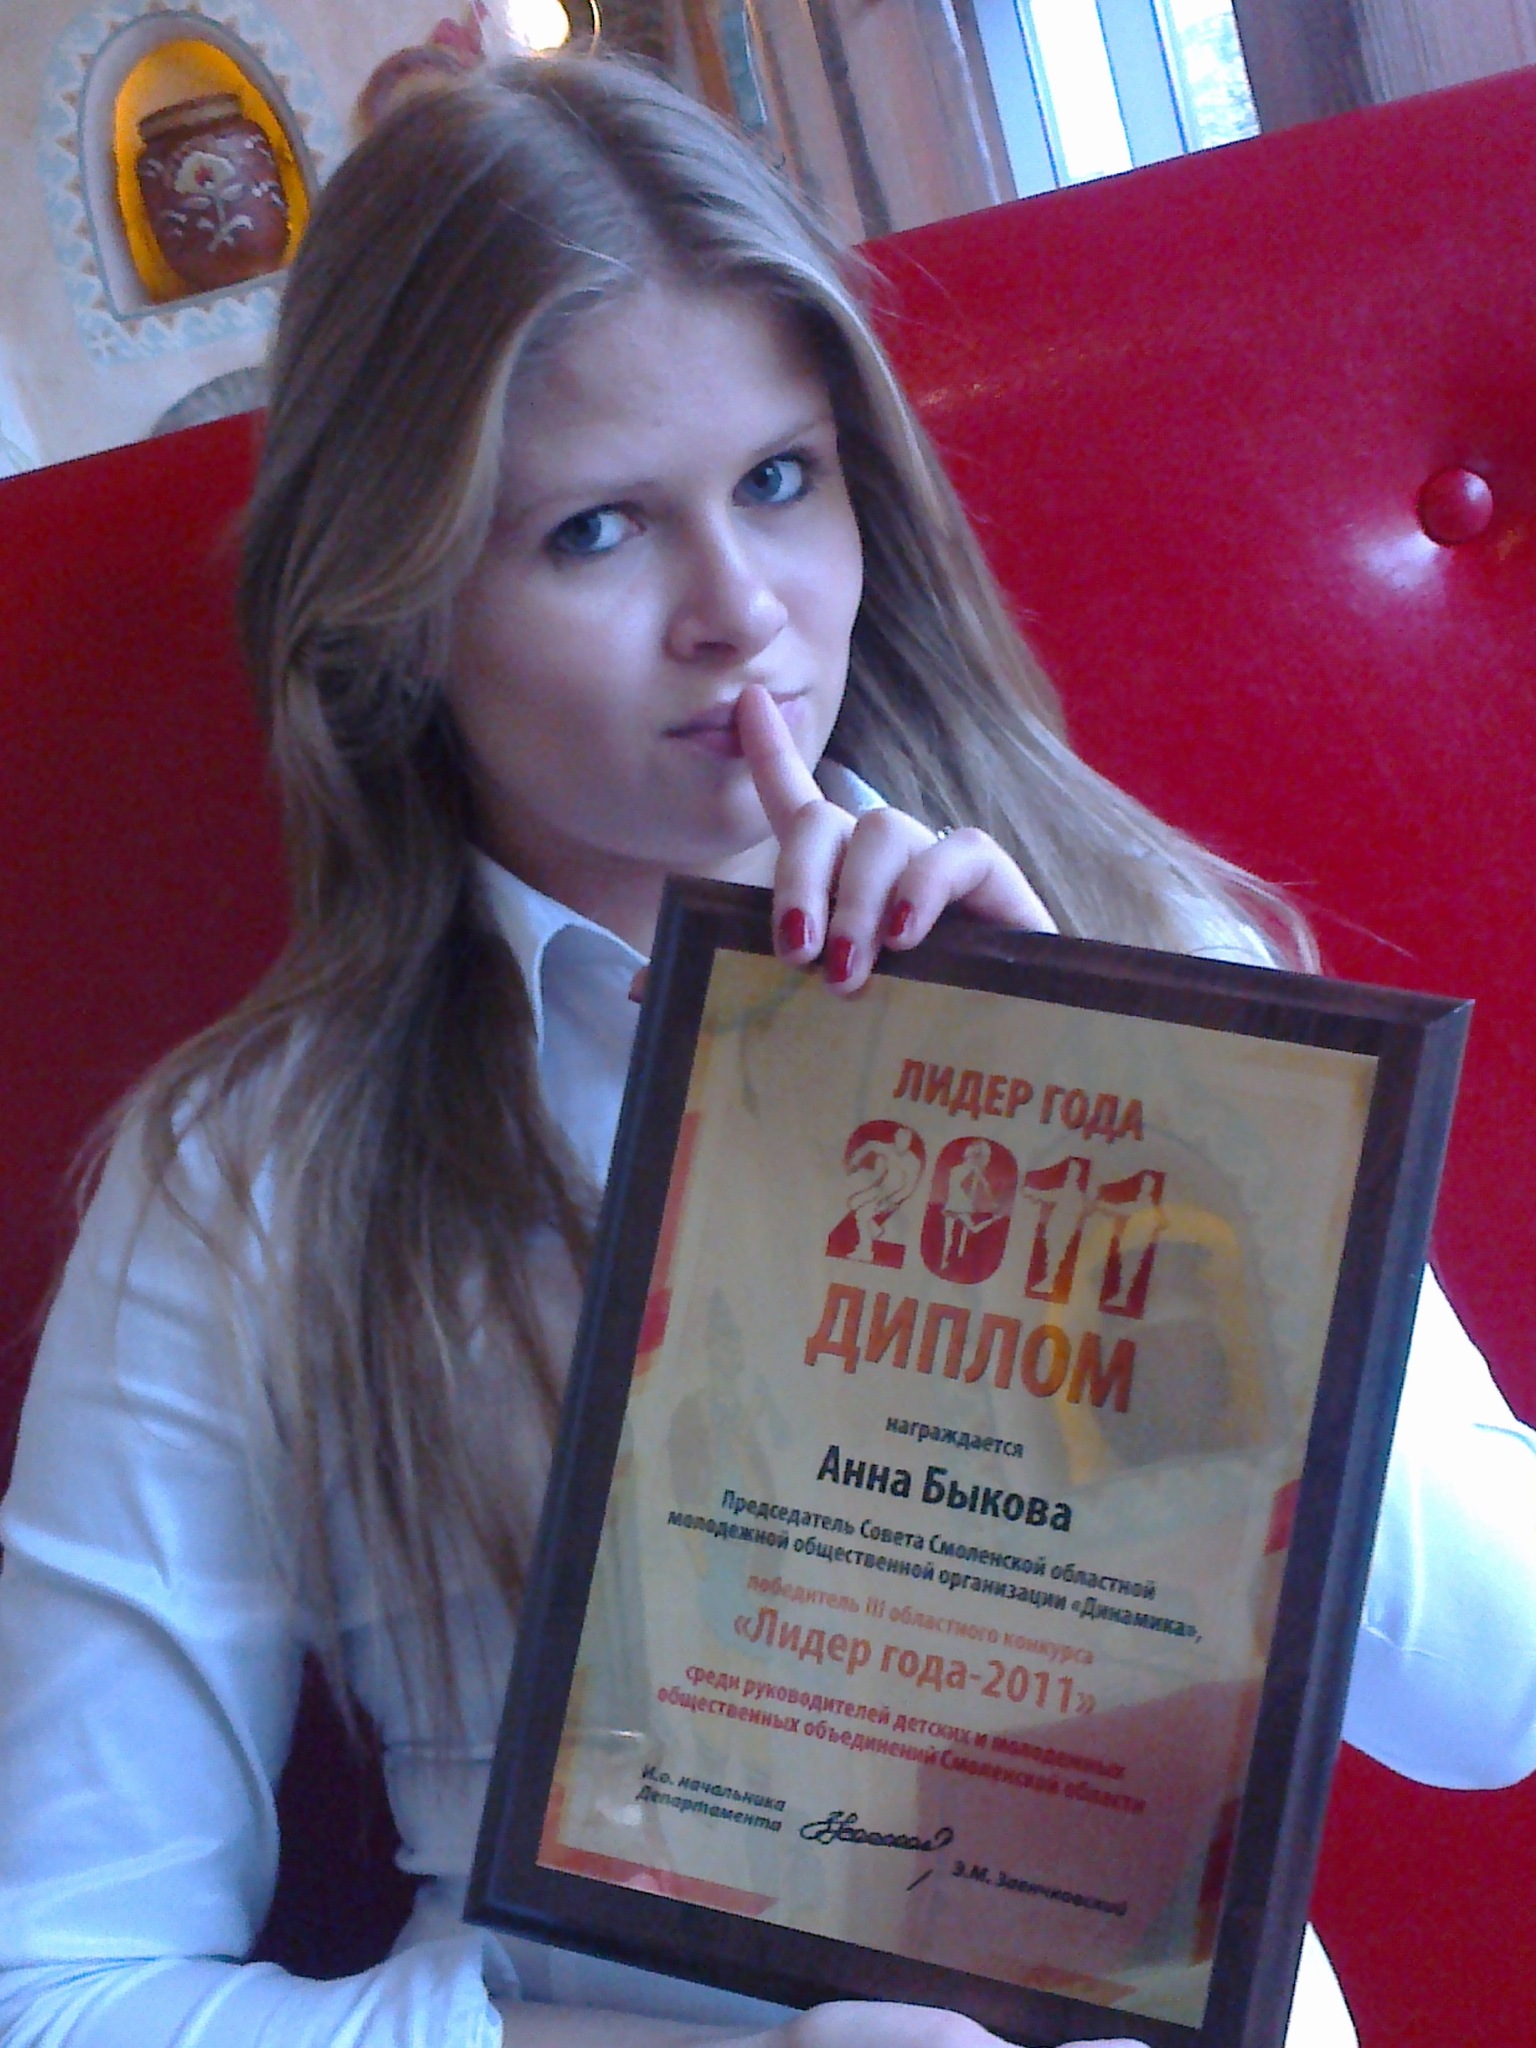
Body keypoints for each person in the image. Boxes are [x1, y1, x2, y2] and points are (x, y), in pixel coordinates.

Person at [1, 47, 1533, 2048]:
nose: (744, 615)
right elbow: (56, 1981)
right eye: (593, 532)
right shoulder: (252, 1179)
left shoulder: (1140, 941)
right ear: (395, 604)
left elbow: (1495, 1695)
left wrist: (1134, 1124)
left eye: (781, 481)